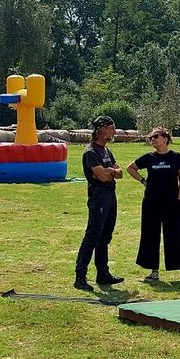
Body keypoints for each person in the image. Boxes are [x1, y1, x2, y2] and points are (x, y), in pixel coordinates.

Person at [127, 128, 180, 284]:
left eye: (155, 136)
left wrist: (179, 199)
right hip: (151, 203)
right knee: (150, 235)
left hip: (171, 203)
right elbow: (130, 168)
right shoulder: (148, 157)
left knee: (175, 236)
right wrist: (143, 181)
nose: (152, 139)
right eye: (150, 137)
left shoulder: (176, 157)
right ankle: (153, 272)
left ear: (165, 139)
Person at [74, 115, 124, 292]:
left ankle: (103, 274)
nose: (114, 132)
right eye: (112, 128)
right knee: (92, 236)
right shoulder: (91, 152)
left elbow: (120, 173)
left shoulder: (106, 151)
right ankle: (80, 277)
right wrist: (111, 172)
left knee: (105, 237)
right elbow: (102, 176)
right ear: (101, 129)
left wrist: (110, 171)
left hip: (110, 195)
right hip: (98, 197)